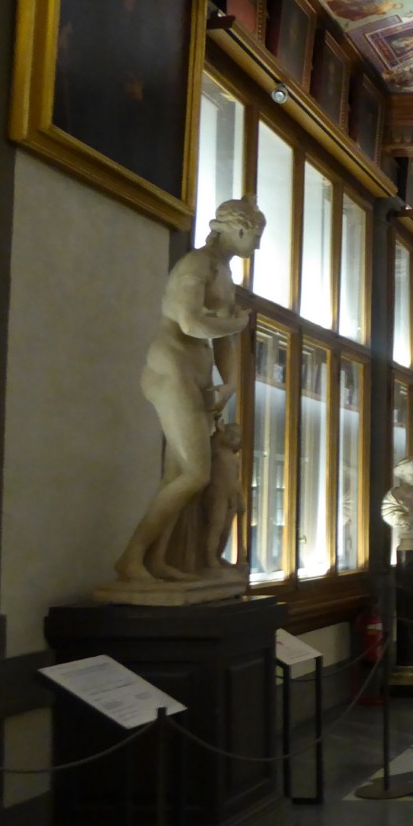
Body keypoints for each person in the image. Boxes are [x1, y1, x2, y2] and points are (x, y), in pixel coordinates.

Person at [113, 198, 257, 581]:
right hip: (172, 370)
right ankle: (131, 558)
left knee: (176, 477)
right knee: (195, 475)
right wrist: (236, 324)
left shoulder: (223, 273)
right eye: (255, 236)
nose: (257, 246)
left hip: (196, 376)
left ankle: (158, 560)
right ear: (239, 230)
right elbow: (190, 323)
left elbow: (223, 341)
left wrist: (229, 385)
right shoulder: (196, 266)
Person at [200, 422, 246, 571]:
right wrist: (218, 431)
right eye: (230, 433)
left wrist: (239, 497)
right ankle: (209, 558)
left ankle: (218, 555)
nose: (234, 438)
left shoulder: (234, 458)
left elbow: (236, 480)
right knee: (216, 527)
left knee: (226, 530)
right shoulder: (217, 451)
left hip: (231, 496)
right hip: (217, 494)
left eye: (237, 436)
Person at [381, 458, 413, 552]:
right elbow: (400, 520)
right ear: (402, 476)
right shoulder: (392, 500)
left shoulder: (412, 497)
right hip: (405, 546)